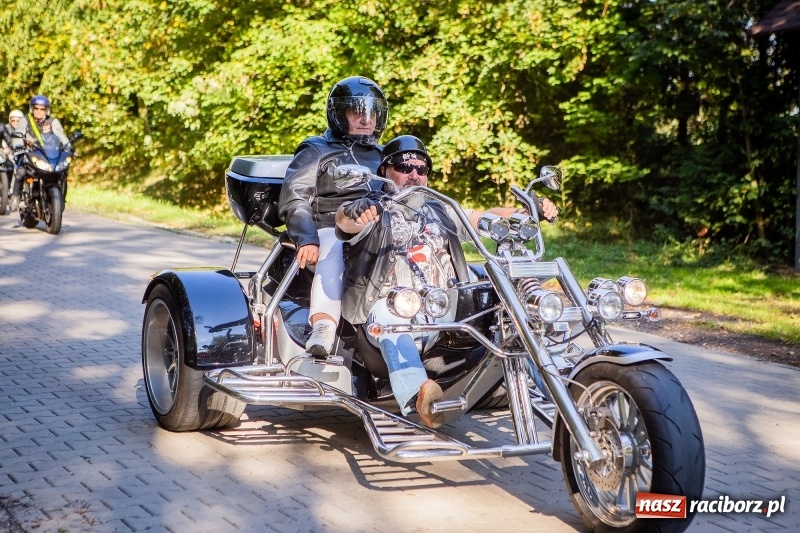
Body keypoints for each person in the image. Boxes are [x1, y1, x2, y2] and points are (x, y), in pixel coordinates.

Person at [335, 135, 558, 428]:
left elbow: (483, 217)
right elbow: (344, 222)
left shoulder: (439, 210)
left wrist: (527, 212)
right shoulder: (375, 210)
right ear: (385, 171)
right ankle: (421, 397)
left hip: (446, 312)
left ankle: (556, 389)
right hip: (390, 310)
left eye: (422, 168)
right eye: (405, 166)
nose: (414, 174)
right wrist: (355, 213)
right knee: (395, 315)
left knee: (513, 310)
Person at [278, 76, 388, 358]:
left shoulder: (382, 155)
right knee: (335, 249)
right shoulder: (316, 149)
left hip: (376, 228)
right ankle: (323, 327)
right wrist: (306, 238)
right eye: (357, 112)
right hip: (328, 228)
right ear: (340, 115)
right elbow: (296, 197)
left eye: (371, 113)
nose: (366, 120)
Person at [10, 96, 70, 210]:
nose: (39, 111)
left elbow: (60, 134)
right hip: (31, 152)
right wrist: (18, 146)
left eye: (42, 109)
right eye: (36, 108)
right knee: (21, 171)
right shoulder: (25, 120)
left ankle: (61, 198)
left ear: (46, 110)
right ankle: (15, 196)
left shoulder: (53, 121)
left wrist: (68, 145)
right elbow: (19, 132)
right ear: (32, 109)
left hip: (49, 153)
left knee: (63, 172)